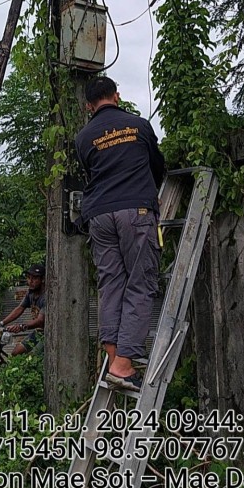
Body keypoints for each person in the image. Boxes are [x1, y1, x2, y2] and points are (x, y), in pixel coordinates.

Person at [75, 77, 165, 391]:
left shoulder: (83, 137)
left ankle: (114, 356)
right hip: (135, 212)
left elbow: (91, 174)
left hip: (98, 215)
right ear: (116, 95)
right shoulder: (139, 126)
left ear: (89, 105)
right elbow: (157, 168)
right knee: (140, 283)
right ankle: (124, 365)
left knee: (111, 284)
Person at [0, 263, 46, 355]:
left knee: (34, 357)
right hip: (38, 332)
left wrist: (21, 327)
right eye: (29, 277)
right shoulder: (30, 294)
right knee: (16, 353)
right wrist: (1, 323)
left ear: (42, 280)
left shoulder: (46, 297)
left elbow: (40, 321)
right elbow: (19, 308)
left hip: (48, 334)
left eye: (34, 278)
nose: (30, 281)